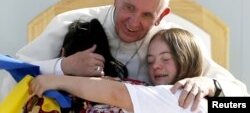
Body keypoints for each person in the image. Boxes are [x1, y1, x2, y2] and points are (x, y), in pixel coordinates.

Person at [11, 0, 249, 110]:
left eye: (147, 15)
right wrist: (63, 67)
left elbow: (238, 97)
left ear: (163, 16)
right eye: (129, 7)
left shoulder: (176, 42)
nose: (134, 23)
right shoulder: (70, 23)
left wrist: (209, 85)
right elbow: (14, 74)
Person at [29, 28, 207, 113]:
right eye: (150, 61)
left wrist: (57, 78)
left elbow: (115, 94)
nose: (156, 66)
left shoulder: (175, 95)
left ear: (188, 59)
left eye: (165, 59)